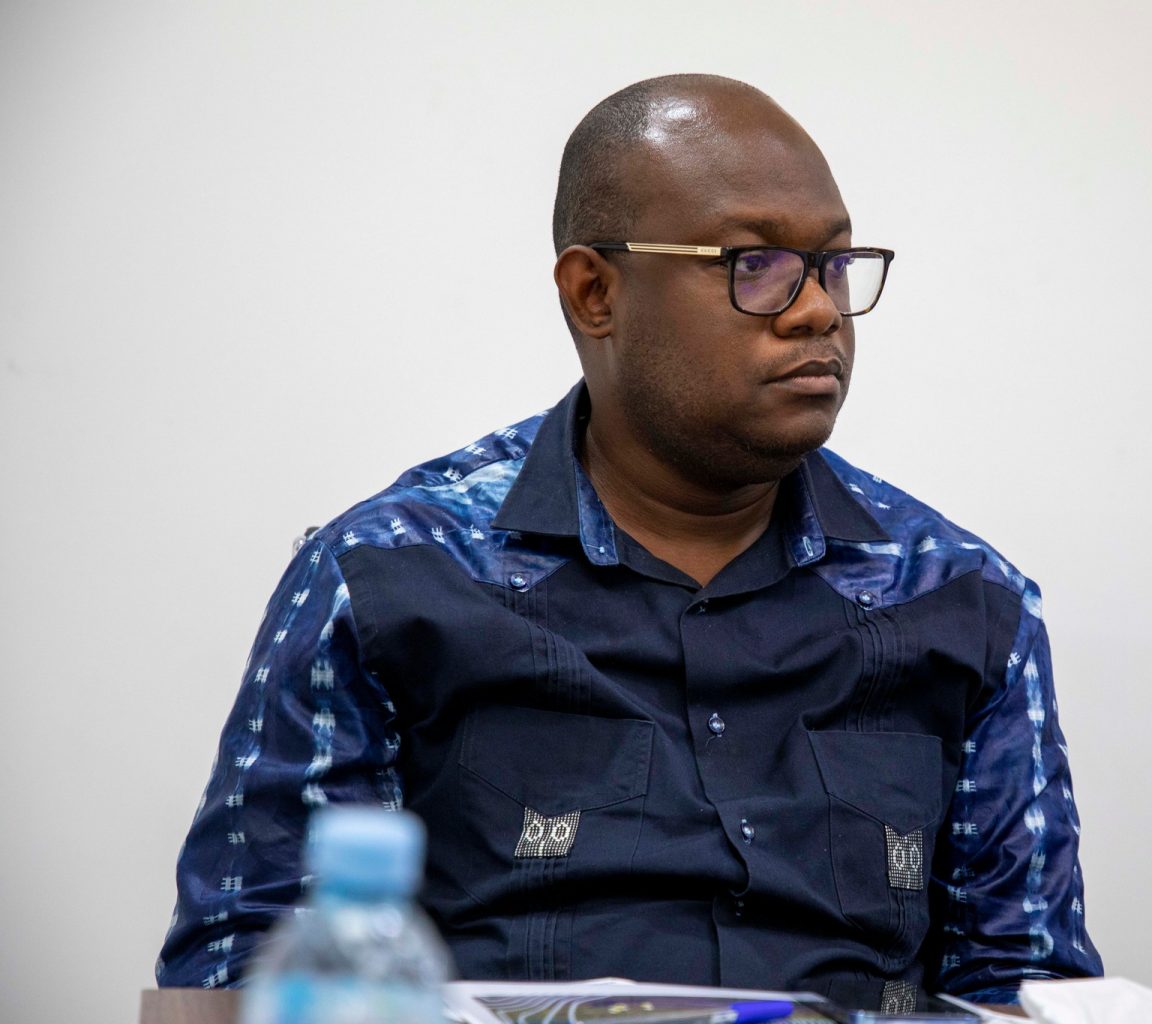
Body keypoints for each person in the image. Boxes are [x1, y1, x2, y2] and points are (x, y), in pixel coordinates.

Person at [157, 74, 1103, 1005]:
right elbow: (244, 978)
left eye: (834, 266)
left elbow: (1028, 989)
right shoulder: (392, 578)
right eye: (755, 265)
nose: (818, 310)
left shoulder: (959, 601)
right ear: (595, 292)